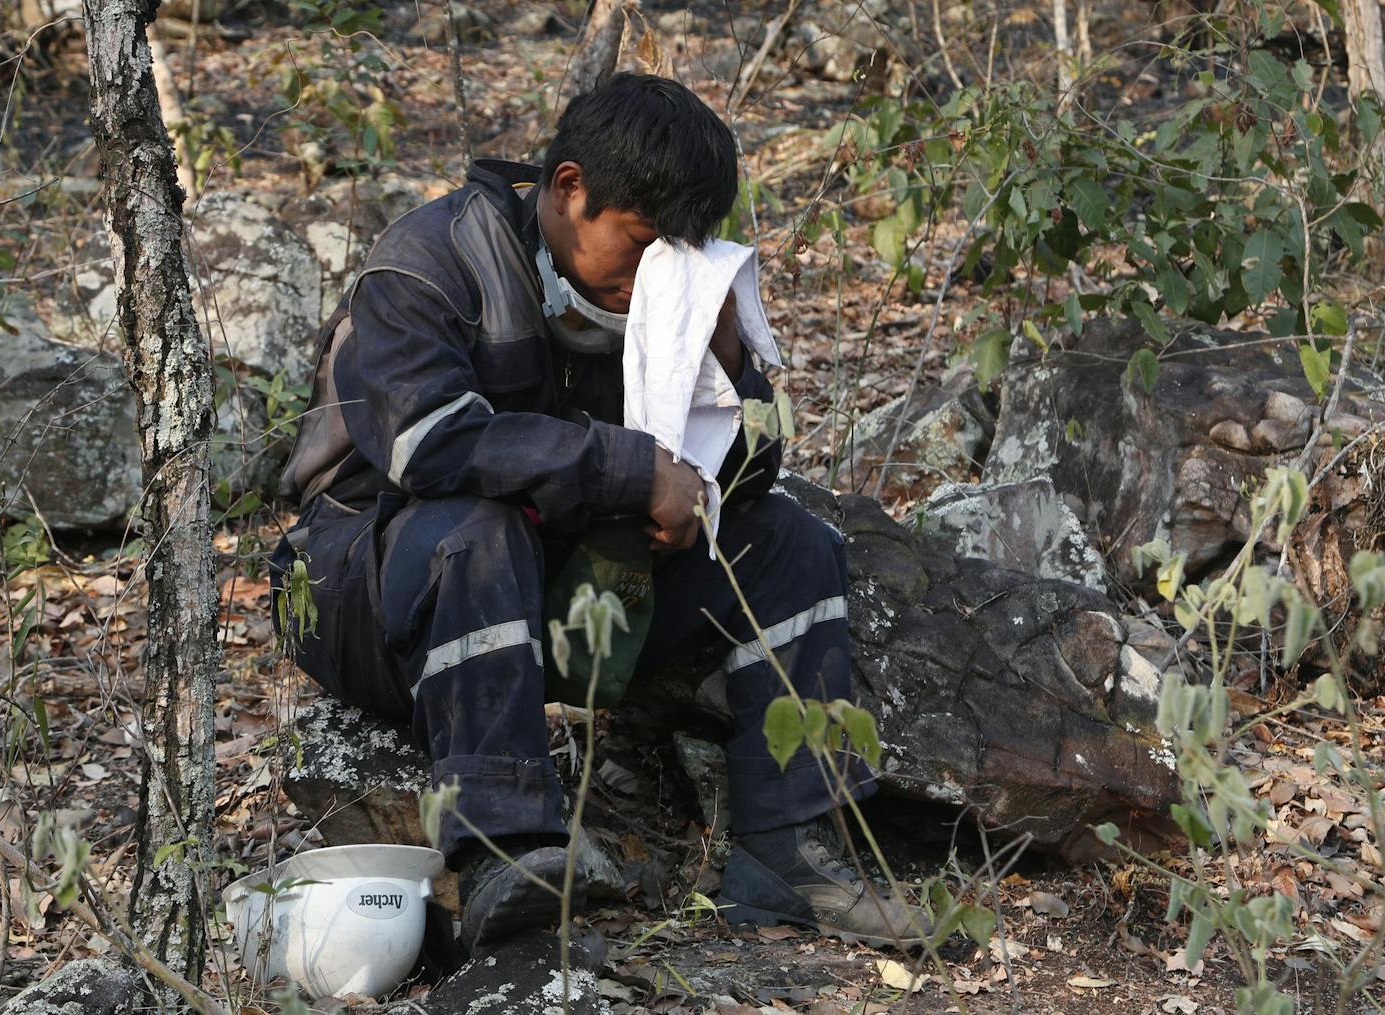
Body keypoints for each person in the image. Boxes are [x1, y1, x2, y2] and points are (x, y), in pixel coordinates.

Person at [270, 73, 923, 954]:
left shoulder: (653, 294)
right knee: (477, 524)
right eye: (644, 243)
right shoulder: (428, 263)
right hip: (362, 588)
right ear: (569, 188)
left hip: (550, 588)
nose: (657, 273)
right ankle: (508, 851)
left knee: (791, 545)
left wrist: (724, 363)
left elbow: (758, 469)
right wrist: (631, 469)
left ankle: (788, 855)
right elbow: (428, 447)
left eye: (677, 257)